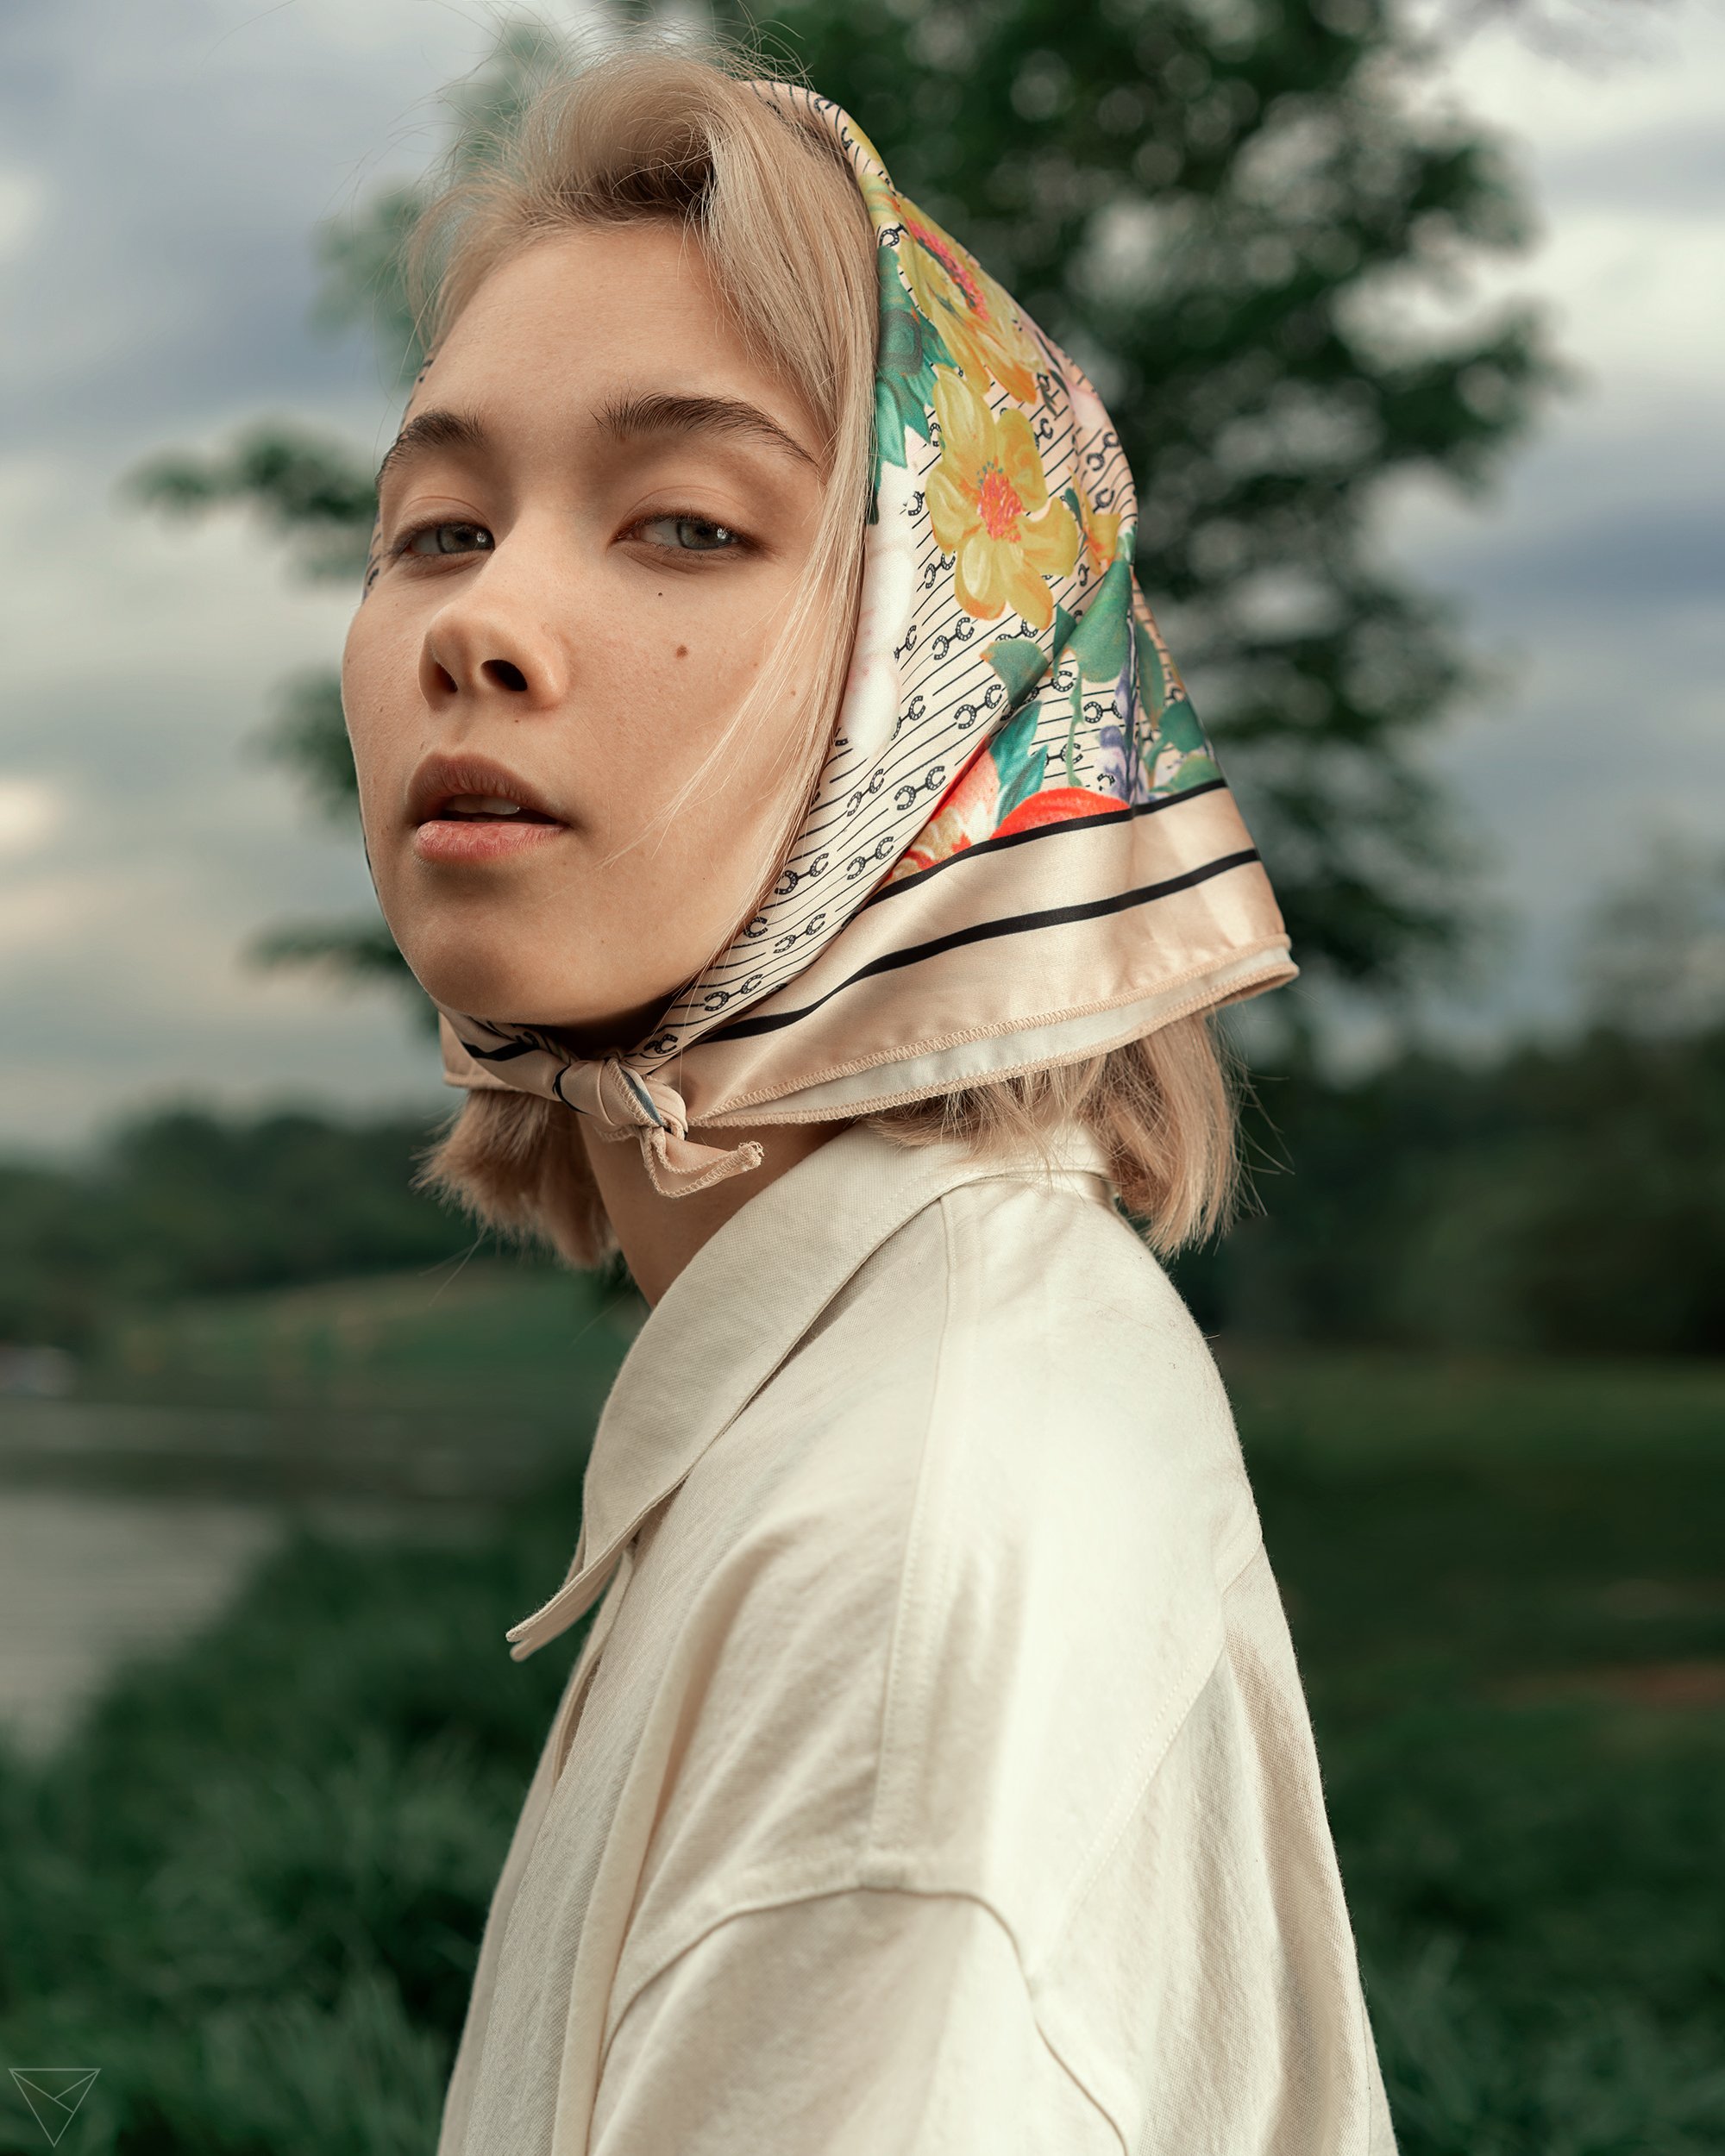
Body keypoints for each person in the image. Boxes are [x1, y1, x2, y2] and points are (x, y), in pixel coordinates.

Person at [341, 41, 1398, 2156]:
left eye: (686, 522)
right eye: (439, 526)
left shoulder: (907, 1555)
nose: (481, 623)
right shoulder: (878, 1391)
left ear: (953, 681)